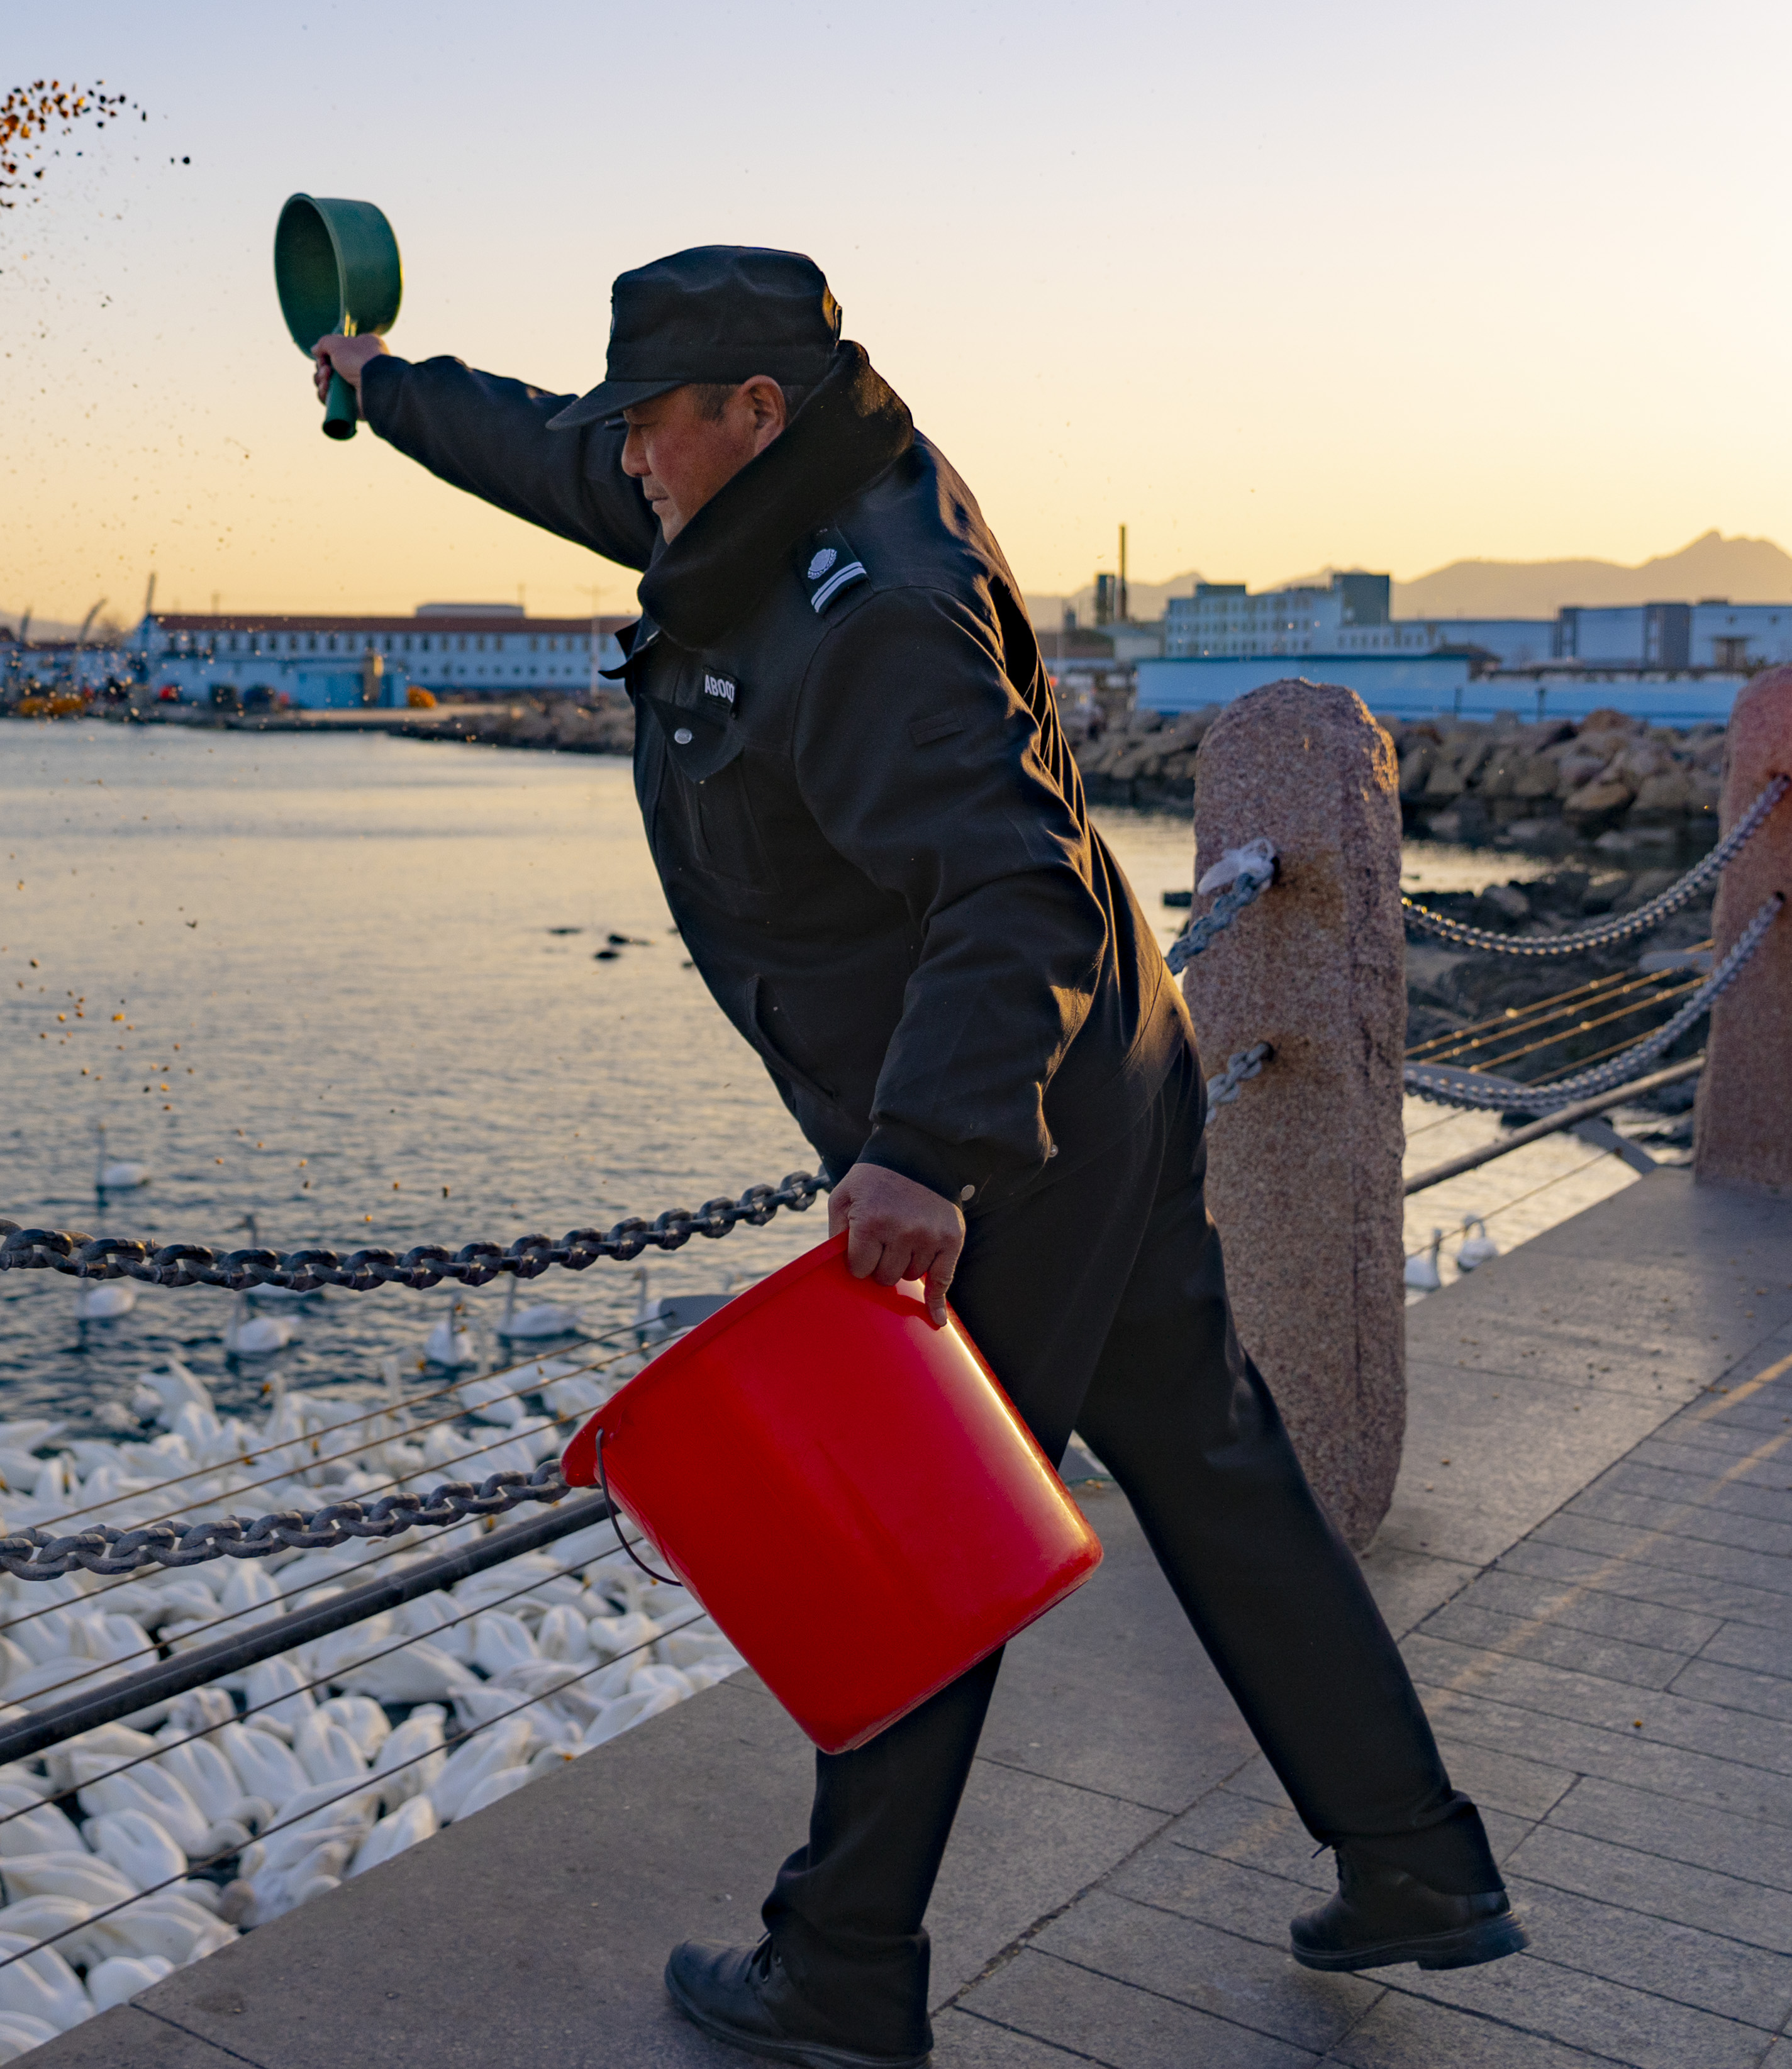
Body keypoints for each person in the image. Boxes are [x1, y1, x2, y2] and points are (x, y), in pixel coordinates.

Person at [314, 248, 1520, 2069]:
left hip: (1008, 1105)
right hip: (1096, 1064)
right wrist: (378, 377)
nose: (622, 453)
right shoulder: (738, 481)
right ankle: (1415, 1862)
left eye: (651, 421)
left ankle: (843, 1967)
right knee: (1207, 1458)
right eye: (627, 416)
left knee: (915, 1524)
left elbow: (1013, 881)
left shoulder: (868, 604)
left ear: (751, 413)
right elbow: (548, 449)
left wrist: (926, 1158)